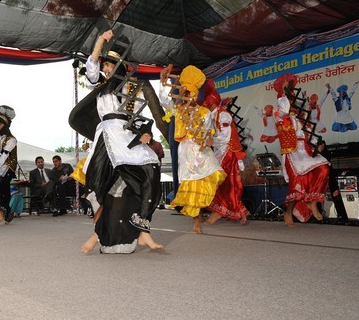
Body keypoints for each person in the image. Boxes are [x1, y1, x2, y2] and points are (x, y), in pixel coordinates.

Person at [72, 29, 163, 253]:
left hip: (127, 136)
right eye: (105, 65)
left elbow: (139, 118)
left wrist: (145, 134)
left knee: (151, 165)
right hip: (108, 138)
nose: (105, 68)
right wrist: (101, 41)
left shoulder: (132, 88)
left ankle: (143, 230)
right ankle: (96, 237)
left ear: (120, 66)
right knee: (105, 191)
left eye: (109, 65)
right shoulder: (100, 87)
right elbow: (91, 66)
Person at [158, 65, 226, 234]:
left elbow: (211, 131)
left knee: (215, 173)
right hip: (186, 150)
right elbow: (164, 100)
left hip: (202, 148)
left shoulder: (204, 112)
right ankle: (196, 221)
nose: (187, 96)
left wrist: (211, 138)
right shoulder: (178, 110)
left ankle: (206, 209)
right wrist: (162, 82)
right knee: (191, 183)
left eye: (190, 93)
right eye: (185, 92)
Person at [273, 74, 330, 227]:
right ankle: (289, 212)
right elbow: (284, 108)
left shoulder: (302, 116)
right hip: (292, 152)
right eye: (289, 96)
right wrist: (284, 91)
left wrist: (316, 145)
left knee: (323, 168)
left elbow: (308, 135)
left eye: (292, 95)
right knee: (297, 183)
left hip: (305, 151)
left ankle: (312, 202)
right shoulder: (280, 115)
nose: (293, 98)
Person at [206, 93, 249, 225]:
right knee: (223, 182)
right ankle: (240, 211)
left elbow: (225, 136)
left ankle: (219, 211)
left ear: (211, 102)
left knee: (225, 182)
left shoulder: (223, 114)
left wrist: (211, 141)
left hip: (228, 151)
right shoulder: (212, 114)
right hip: (218, 151)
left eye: (207, 101)